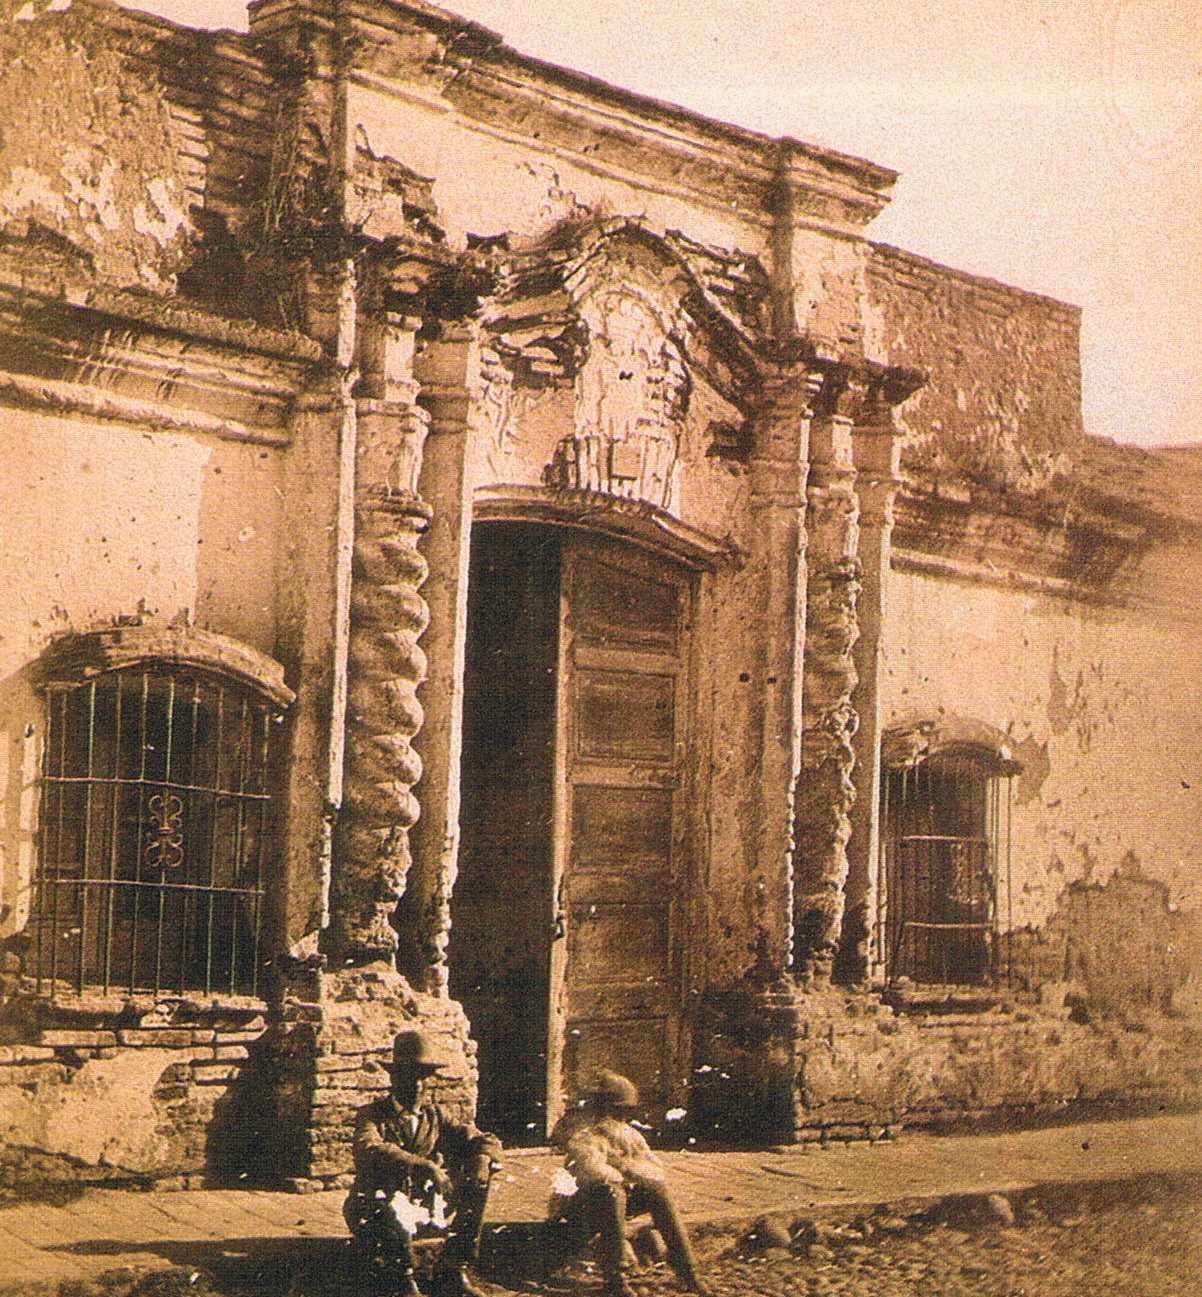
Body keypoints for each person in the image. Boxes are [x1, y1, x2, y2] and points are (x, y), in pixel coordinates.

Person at [344, 1029, 502, 1297]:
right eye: (409, 1076)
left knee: (479, 1180)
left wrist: (483, 1158)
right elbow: (370, 1147)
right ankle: (402, 1279)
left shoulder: (435, 1115)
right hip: (374, 1209)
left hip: (422, 1206)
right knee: (388, 1203)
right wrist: (423, 1165)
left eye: (423, 1077)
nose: (417, 1085)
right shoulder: (372, 1115)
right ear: (394, 1078)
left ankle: (452, 1269)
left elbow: (482, 1138)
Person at [548, 1071, 708, 1297]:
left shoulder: (631, 1136)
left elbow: (656, 1171)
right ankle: (615, 1278)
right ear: (602, 1109)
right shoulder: (584, 1136)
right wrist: (625, 1170)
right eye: (615, 1111)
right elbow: (592, 1173)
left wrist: (630, 1170)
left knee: (657, 1191)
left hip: (612, 1206)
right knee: (611, 1190)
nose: (618, 1118)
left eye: (622, 1112)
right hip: (575, 1214)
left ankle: (688, 1271)